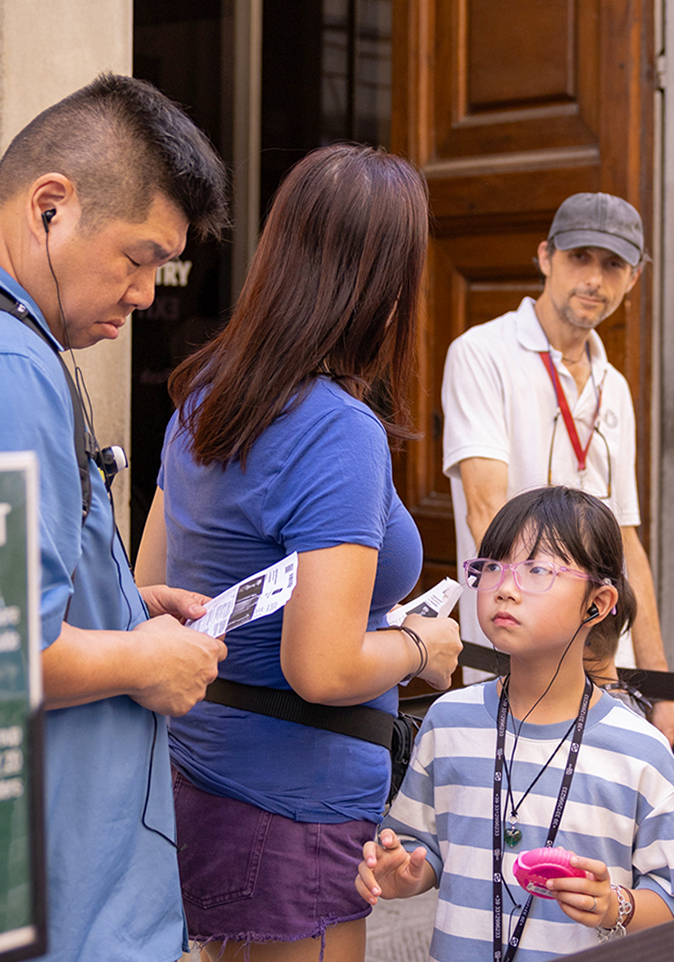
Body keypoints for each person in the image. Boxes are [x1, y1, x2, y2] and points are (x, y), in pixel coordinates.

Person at [0, 74, 230, 962]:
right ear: (50, 207)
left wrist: (126, 606)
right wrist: (144, 659)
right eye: (137, 257)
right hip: (44, 906)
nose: (145, 293)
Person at [134, 144, 463, 962]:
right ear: (383, 285)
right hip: (295, 802)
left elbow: (148, 585)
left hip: (197, 771)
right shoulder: (338, 429)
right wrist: (424, 643)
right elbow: (323, 666)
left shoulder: (204, 399)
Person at [357, 486, 674, 961]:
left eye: (537, 570)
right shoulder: (447, 720)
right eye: (492, 566)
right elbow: (426, 845)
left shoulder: (642, 753)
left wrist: (614, 906)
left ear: (597, 603)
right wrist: (407, 871)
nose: (505, 586)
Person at [440, 193, 674, 758]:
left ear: (633, 279)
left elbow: (626, 540)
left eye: (613, 265)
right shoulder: (482, 354)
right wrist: (569, 656)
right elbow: (488, 514)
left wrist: (661, 693)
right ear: (545, 257)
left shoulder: (615, 385)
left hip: (606, 667)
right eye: (580, 256)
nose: (595, 279)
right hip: (520, 656)